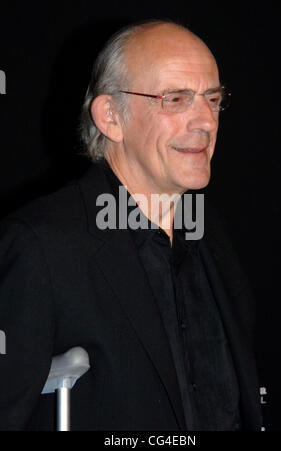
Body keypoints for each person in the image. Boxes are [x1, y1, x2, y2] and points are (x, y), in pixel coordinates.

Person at [0, 20, 263, 431]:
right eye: (176, 99)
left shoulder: (211, 237)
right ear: (110, 117)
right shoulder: (43, 246)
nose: (206, 122)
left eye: (212, 99)